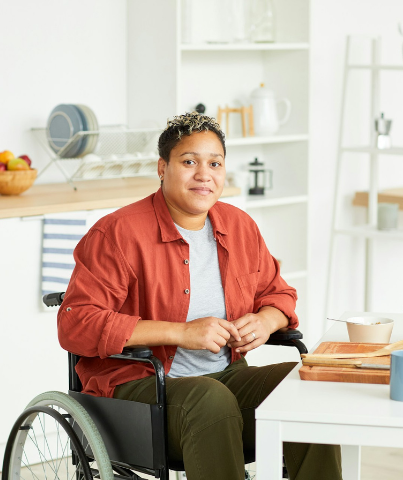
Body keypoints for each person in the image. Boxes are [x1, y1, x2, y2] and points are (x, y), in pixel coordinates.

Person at [58, 112, 342, 480]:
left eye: (214, 163)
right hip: (136, 390)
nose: (203, 174)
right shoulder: (118, 233)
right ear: (162, 167)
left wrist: (266, 320)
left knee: (304, 385)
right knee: (210, 399)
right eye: (189, 161)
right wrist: (181, 332)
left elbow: (279, 293)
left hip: (224, 379)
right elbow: (75, 322)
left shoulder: (239, 226)